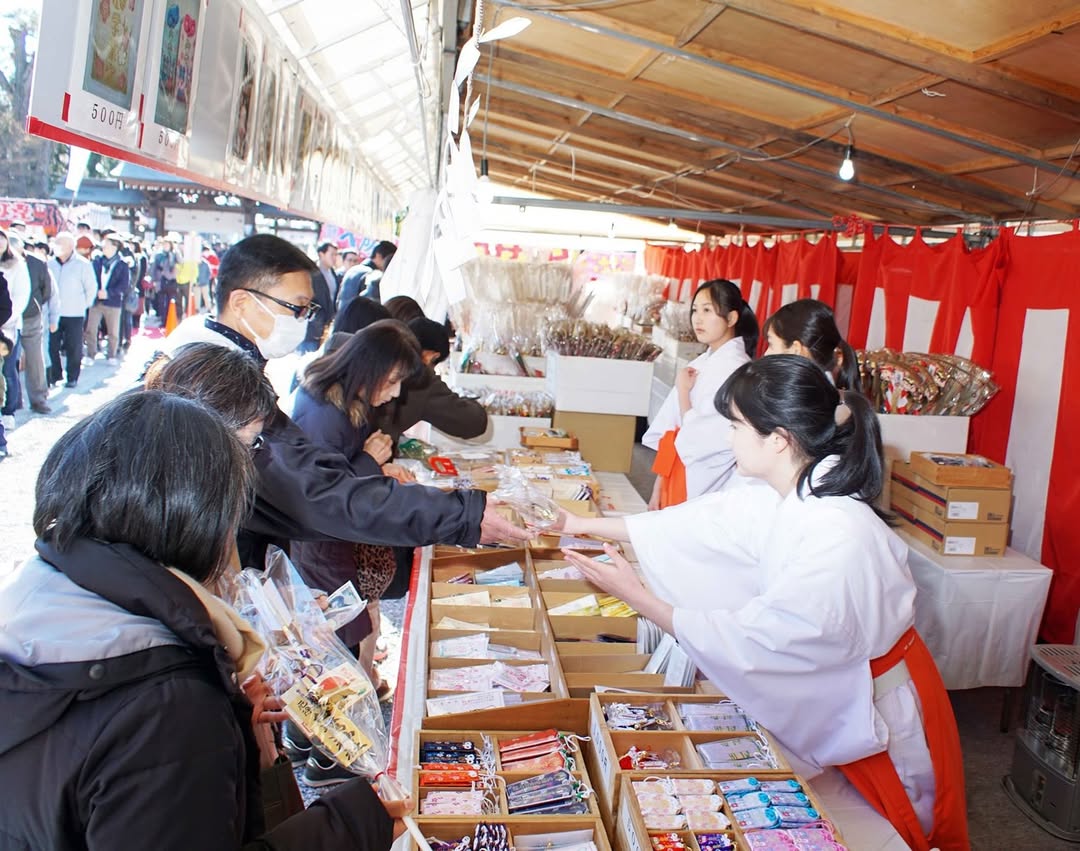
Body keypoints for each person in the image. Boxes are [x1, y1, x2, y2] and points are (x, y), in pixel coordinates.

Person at [558, 355, 968, 851]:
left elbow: (764, 640)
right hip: (843, 690)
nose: (728, 438)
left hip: (872, 704)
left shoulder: (835, 532)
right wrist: (581, 526)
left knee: (898, 829)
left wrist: (641, 599)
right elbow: (695, 527)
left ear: (777, 438)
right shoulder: (795, 487)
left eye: (735, 426)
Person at [0, 391, 407, 849]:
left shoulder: (33, 611)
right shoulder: (168, 707)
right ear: (201, 521)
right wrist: (353, 824)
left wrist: (230, 726)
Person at [161, 234, 528, 570]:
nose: (304, 321)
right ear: (241, 301)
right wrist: (460, 515)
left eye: (309, 310)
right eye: (297, 308)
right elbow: (318, 494)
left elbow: (314, 474)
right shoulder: (211, 383)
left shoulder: (223, 368)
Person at [289, 321, 423, 711]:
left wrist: (375, 469)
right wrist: (369, 461)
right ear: (369, 368)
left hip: (336, 543)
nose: (396, 392)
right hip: (323, 549)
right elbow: (320, 498)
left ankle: (322, 745)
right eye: (394, 380)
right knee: (335, 648)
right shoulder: (323, 416)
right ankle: (323, 753)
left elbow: (336, 472)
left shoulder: (340, 402)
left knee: (343, 641)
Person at [642, 279, 759, 508]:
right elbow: (673, 430)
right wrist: (659, 484)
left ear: (731, 318)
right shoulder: (705, 361)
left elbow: (705, 436)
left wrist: (684, 392)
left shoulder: (734, 368)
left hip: (700, 477)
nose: (697, 318)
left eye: (707, 310)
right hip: (679, 470)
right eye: (695, 310)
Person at [375, 316, 487, 445]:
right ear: (430, 357)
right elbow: (473, 422)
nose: (395, 392)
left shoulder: (376, 352)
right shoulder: (421, 380)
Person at [763, 298, 861, 391]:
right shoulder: (832, 398)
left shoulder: (801, 402)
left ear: (796, 350)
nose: (766, 354)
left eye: (771, 344)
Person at [48, 233, 97, 388]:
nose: (56, 246)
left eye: (60, 243)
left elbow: (91, 288)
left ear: (69, 246)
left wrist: (83, 305)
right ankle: (55, 375)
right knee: (52, 345)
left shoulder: (83, 264)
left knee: (73, 346)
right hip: (53, 313)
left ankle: (72, 377)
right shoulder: (50, 264)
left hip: (74, 313)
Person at [20, 234, 54, 413]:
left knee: (35, 358)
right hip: (5, 318)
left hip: (30, 316)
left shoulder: (37, 263)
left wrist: (34, 305)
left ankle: (39, 398)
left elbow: (46, 291)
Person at [0, 230, 31, 430]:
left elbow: (20, 297)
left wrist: (7, 320)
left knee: (8, 369)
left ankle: (8, 410)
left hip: (8, 326)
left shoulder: (17, 265)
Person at [86, 232, 131, 365]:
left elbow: (124, 285)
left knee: (113, 331)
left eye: (106, 245)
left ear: (114, 247)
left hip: (113, 302)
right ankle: (90, 354)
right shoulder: (98, 261)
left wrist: (109, 293)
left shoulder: (122, 264)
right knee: (91, 329)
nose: (103, 247)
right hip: (96, 301)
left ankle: (111, 354)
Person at [302, 241, 341, 353]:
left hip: (327, 324)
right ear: (321, 254)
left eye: (336, 255)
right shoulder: (311, 273)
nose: (334, 258)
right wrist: (316, 317)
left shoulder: (333, 273)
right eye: (332, 254)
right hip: (312, 325)